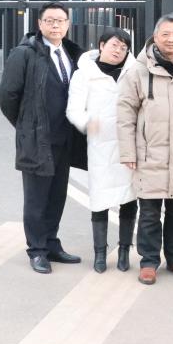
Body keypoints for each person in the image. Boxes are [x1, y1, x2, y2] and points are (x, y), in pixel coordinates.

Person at [0, 1, 87, 274]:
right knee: (37, 199)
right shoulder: (24, 54)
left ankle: (51, 244)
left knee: (57, 196)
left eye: (60, 20)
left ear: (68, 24)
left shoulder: (72, 54)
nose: (55, 25)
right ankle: (37, 250)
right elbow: (7, 96)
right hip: (38, 139)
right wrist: (26, 125)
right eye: (50, 20)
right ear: (40, 24)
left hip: (65, 139)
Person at [117, 13, 173, 286]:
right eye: (165, 34)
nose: (171, 39)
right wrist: (128, 152)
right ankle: (149, 261)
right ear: (155, 37)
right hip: (149, 153)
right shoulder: (138, 70)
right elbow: (125, 113)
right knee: (150, 212)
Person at [66, 28, 138, 273]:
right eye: (114, 45)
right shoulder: (84, 74)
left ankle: (125, 250)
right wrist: (88, 123)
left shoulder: (135, 72)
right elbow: (74, 109)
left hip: (129, 144)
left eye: (124, 47)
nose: (119, 50)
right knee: (99, 200)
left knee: (130, 199)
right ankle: (99, 252)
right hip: (100, 146)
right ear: (101, 45)